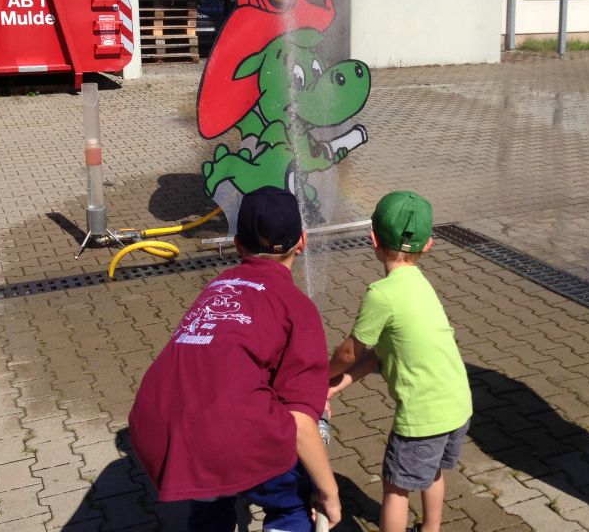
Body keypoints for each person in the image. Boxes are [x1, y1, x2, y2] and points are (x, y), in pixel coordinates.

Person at [128, 186, 341, 532]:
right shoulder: (297, 306)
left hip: (166, 431)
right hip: (231, 435)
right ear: (301, 241)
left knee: (211, 507)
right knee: (289, 507)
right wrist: (328, 491)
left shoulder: (218, 287)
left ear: (238, 244)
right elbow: (301, 425)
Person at [327, 191, 472, 532]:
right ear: (429, 245)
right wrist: (334, 388)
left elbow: (351, 353)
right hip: (456, 405)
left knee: (396, 487)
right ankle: (431, 529)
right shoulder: (420, 285)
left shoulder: (382, 294)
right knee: (430, 471)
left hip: (422, 417)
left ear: (372, 238)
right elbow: (379, 354)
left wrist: (321, 376)